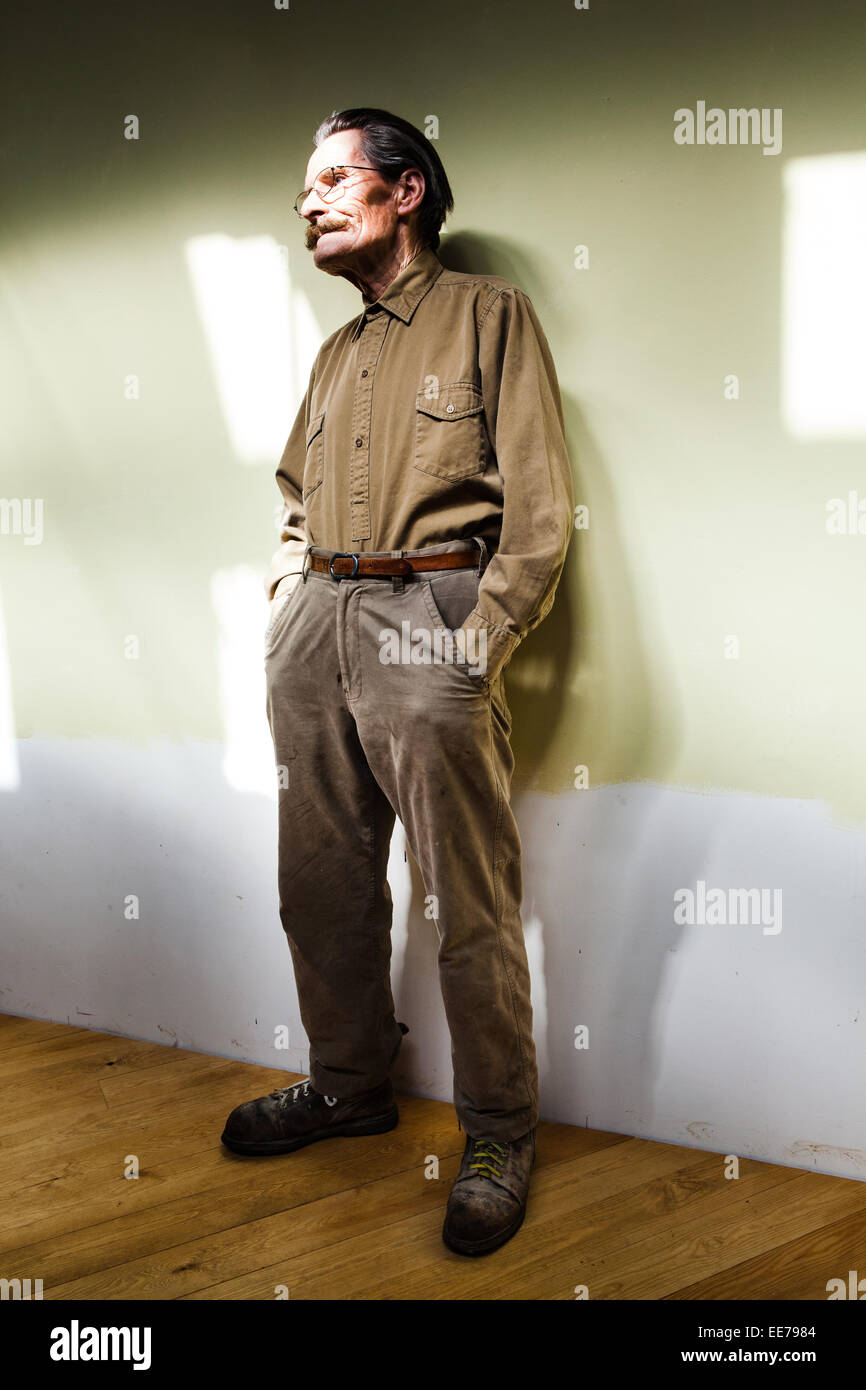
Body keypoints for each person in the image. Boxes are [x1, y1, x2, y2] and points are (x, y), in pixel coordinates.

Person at [221, 108, 574, 1257]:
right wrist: (285, 599)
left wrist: (481, 632)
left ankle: (496, 1134)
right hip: (314, 624)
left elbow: (538, 508)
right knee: (317, 881)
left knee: (464, 895)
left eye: (331, 178)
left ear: (405, 189)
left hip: (431, 620)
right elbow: (290, 500)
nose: (308, 201)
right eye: (304, 187)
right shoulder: (333, 353)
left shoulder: (489, 317)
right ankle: (345, 1086)